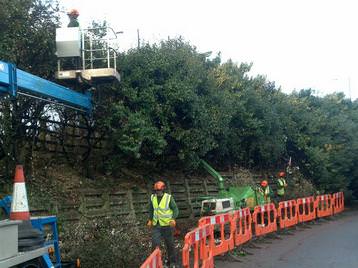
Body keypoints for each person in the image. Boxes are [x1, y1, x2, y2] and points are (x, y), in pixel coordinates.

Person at [147, 181, 179, 268]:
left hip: (167, 225)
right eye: (156, 191)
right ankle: (155, 263)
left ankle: (172, 262)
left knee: (169, 244)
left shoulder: (168, 198)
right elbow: (151, 210)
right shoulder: (152, 197)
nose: (157, 192)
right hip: (156, 225)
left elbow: (175, 209)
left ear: (163, 189)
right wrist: (150, 220)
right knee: (155, 243)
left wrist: (173, 219)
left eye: (159, 191)